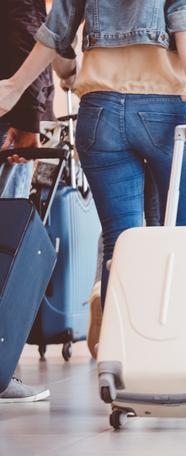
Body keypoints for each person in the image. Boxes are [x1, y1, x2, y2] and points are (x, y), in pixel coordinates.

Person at [0, 0, 186, 312]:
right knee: (181, 233)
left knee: (121, 244)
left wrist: (14, 86)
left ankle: (118, 346)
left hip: (99, 110)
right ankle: (175, 339)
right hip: (167, 107)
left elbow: (58, 28)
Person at [0, 0, 56, 403]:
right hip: (7, 123)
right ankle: (2, 372)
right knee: (5, 250)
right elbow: (26, 33)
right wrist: (30, 121)